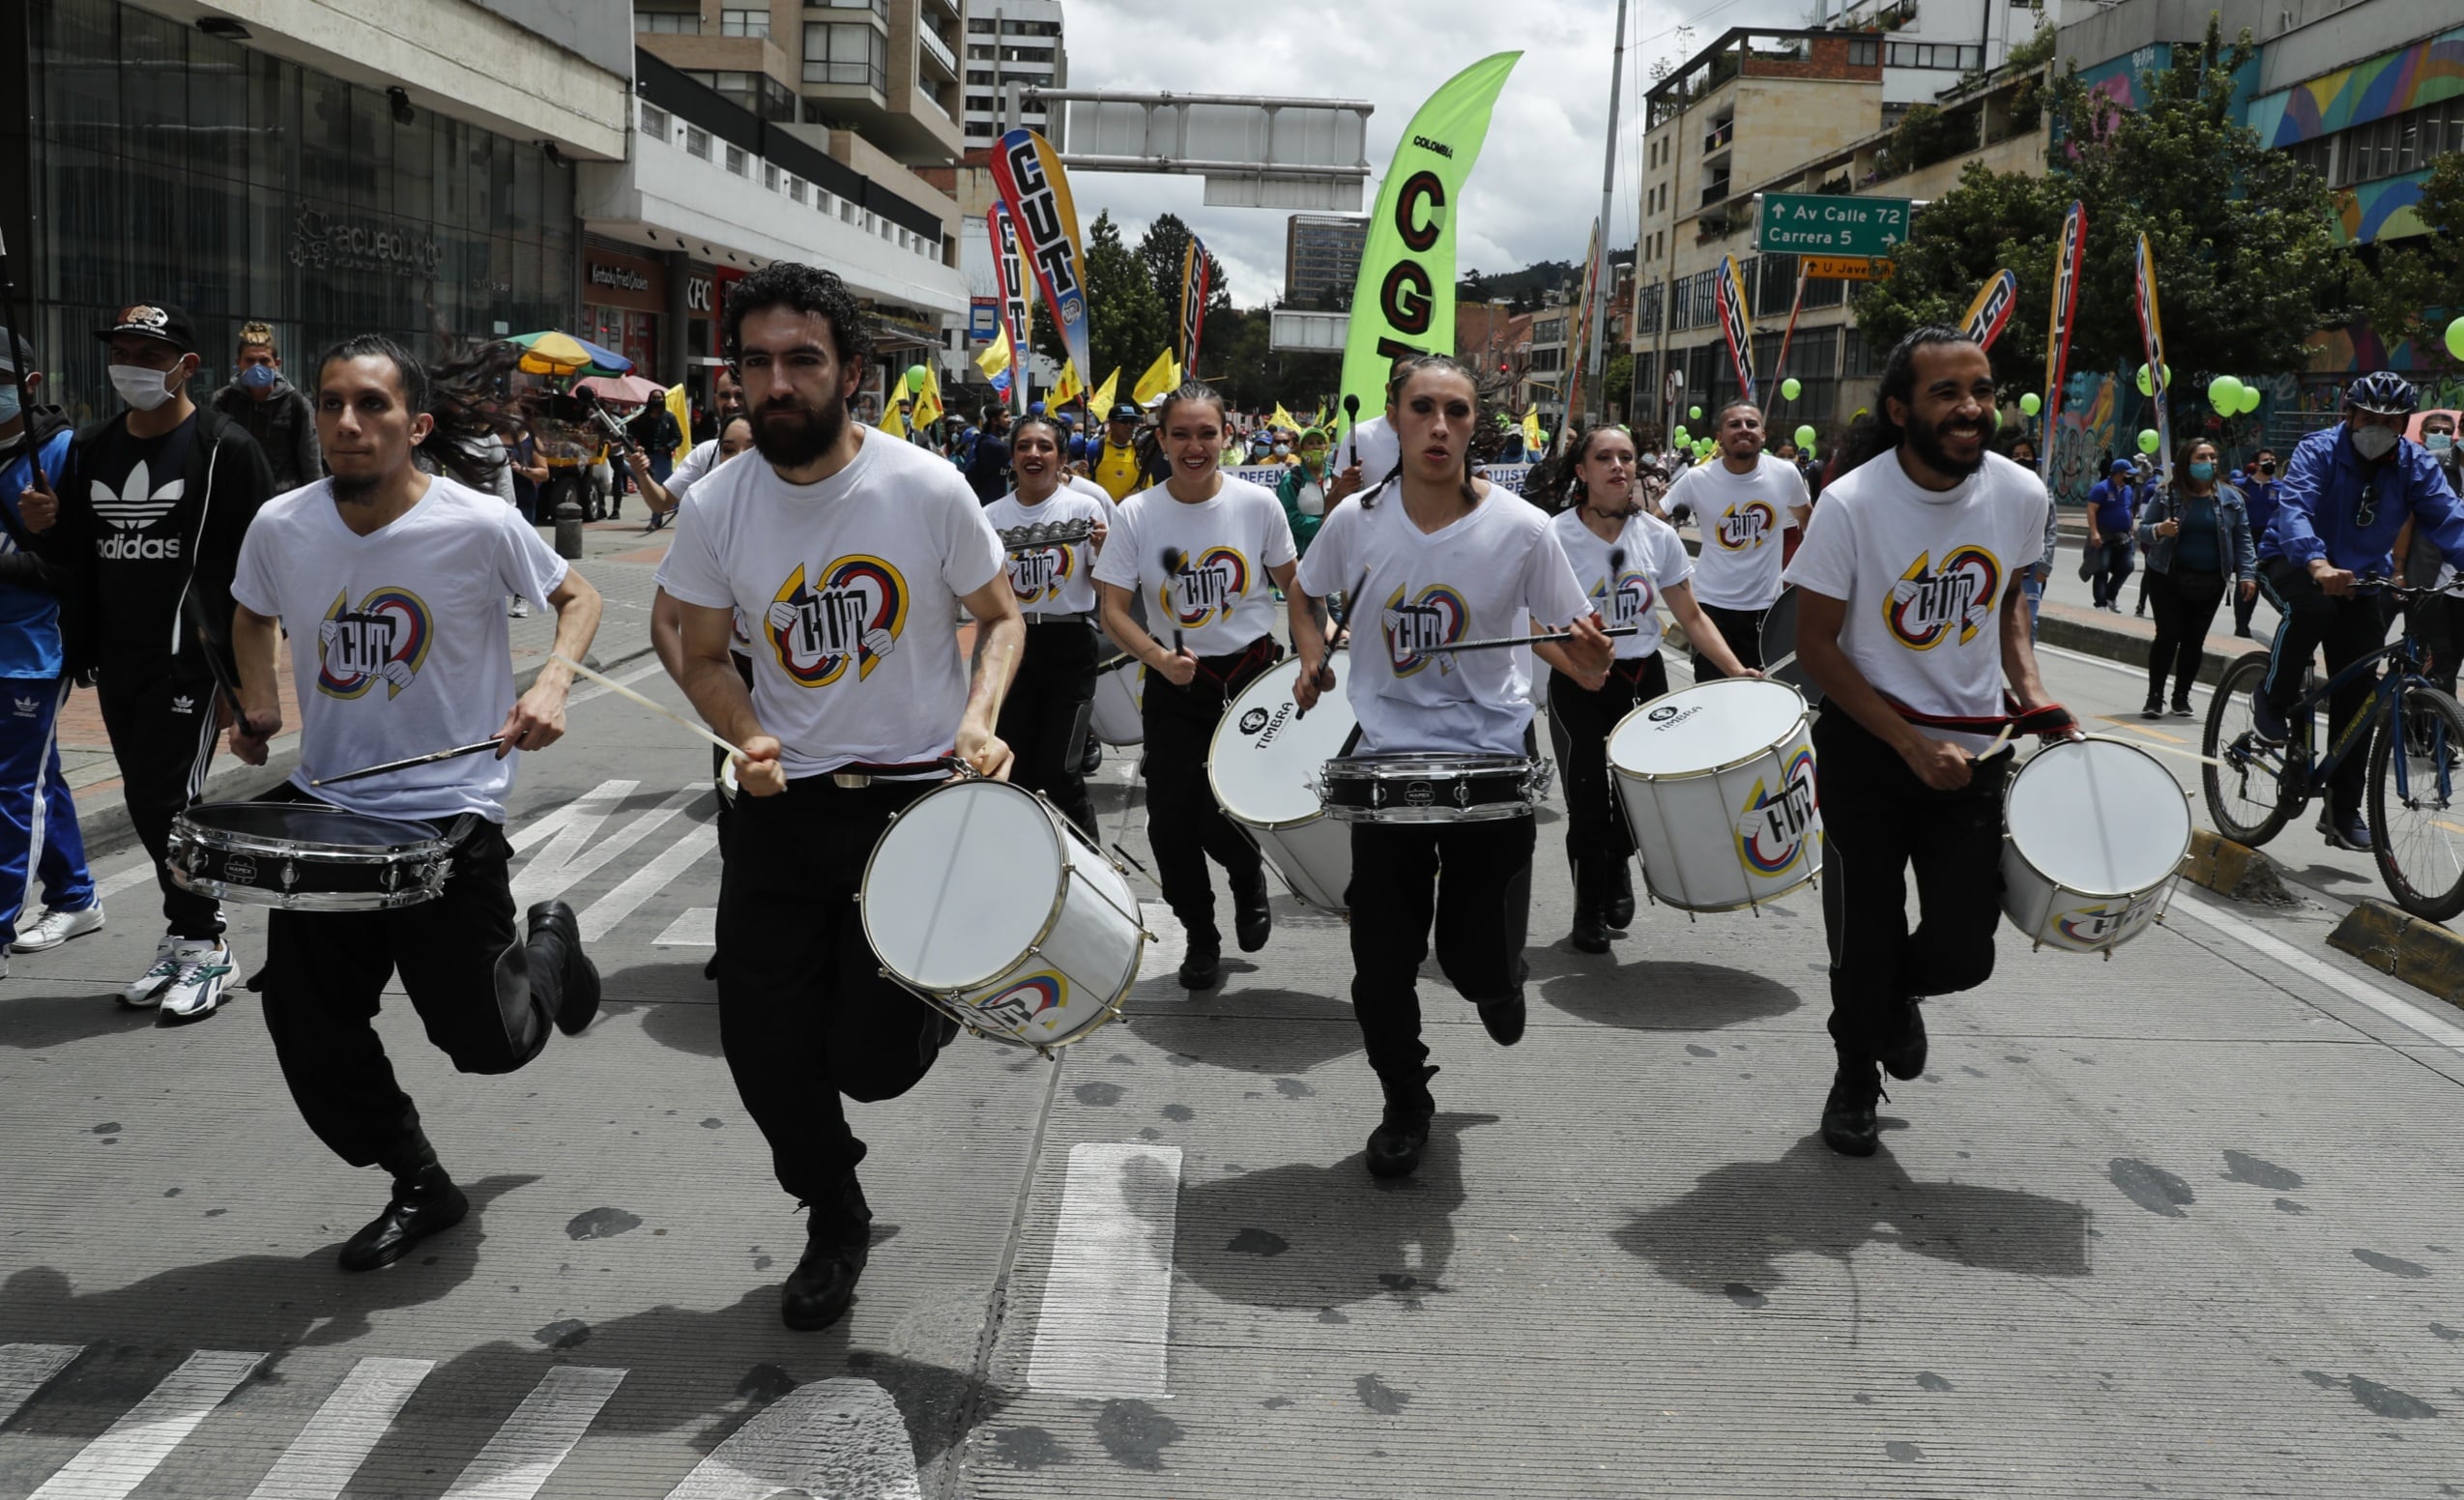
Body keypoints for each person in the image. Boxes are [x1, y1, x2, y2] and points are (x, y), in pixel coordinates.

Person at [654, 263, 1024, 1332]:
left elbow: (1000, 616)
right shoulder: (718, 505)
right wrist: (744, 729)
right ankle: (832, 1209)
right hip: (780, 811)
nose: (776, 382)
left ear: (851, 372)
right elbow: (691, 643)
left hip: (911, 808)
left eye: (801, 360)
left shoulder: (923, 487)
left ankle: (936, 1003)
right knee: (762, 1046)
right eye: (755, 362)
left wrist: (978, 718)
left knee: (869, 1061)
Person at [223, 333, 605, 1270]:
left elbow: (580, 596)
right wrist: (260, 700)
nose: (347, 424)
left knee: (491, 1044)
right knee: (307, 1029)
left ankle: (550, 944)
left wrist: (552, 684)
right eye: (330, 404)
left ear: (416, 424)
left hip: (449, 817)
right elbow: (248, 611)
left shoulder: (477, 524)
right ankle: (418, 1179)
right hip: (330, 813)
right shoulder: (281, 526)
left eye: (372, 406)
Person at [1287, 355, 1612, 1179]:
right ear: (1394, 418)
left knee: (1470, 962)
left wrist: (1586, 657)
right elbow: (1306, 593)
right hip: (1388, 766)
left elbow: (1574, 650)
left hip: (1491, 763)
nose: (1438, 426)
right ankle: (1405, 1100)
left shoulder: (1523, 528)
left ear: (1476, 424)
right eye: (1422, 408)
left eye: (1456, 411)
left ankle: (1499, 981)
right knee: (1379, 965)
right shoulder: (1355, 521)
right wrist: (1310, 656)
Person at [1780, 327, 2074, 1159]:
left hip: (1973, 758)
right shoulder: (1851, 503)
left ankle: (1889, 1002)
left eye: (1980, 390)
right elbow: (1816, 646)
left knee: (1963, 948)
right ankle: (1851, 1080)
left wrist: (2032, 692)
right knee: (1863, 934)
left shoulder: (2020, 494)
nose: (1970, 408)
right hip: (1868, 755)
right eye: (1946, 393)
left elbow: (2009, 599)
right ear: (1901, 407)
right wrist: (1909, 744)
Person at [19, 303, 273, 1021]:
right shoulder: (94, 449)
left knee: (170, 804)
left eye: (148, 353)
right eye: (121, 349)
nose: (129, 363)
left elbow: (258, 572)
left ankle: (206, 944)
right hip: (119, 661)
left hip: (191, 664)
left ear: (186, 366)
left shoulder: (225, 448)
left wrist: (248, 685)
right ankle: (184, 936)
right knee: (143, 800)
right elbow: (71, 557)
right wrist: (43, 528)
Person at [1092, 383, 1296, 991]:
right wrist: (1158, 657)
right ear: (1162, 440)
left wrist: (1325, 641)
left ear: (1226, 437)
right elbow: (1114, 611)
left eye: (1207, 432)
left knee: (1219, 816)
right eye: (1180, 433)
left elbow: (1299, 591)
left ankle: (1245, 872)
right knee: (1169, 825)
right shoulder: (1136, 513)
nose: (1194, 445)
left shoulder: (1259, 507)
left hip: (1250, 678)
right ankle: (1201, 939)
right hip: (1175, 685)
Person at [1543, 424, 1750, 953]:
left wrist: (1735, 669)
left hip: (1644, 678)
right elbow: (1532, 623)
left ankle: (1618, 864)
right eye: (1605, 458)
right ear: (1581, 471)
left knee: (1643, 797)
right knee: (1589, 801)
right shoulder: (1553, 536)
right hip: (1581, 683)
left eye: (1627, 457)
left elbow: (1691, 615)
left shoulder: (1657, 537)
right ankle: (1588, 908)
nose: (1618, 467)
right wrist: (1574, 668)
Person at [2251, 373, 2464, 852]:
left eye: (2391, 421)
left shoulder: (2414, 464)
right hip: (2292, 558)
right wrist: (2317, 561)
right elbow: (2296, 508)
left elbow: (2449, 519)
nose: (2378, 428)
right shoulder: (2318, 450)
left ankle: (2341, 811)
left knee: (2361, 692)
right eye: (2369, 417)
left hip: (2364, 578)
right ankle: (2272, 696)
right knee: (2312, 610)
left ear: (2404, 425)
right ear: (2349, 414)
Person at [0, 330, 100, 968]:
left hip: (32, 649)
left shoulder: (63, 454)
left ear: (29, 384)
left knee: (11, 787)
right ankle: (75, 894)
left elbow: (79, 564)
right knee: (37, 772)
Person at [982, 414, 1110, 836]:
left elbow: (1103, 587)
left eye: (1044, 446)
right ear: (1012, 456)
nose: (1033, 454)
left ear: (1061, 457)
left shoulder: (1085, 508)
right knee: (1014, 770)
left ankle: (1092, 872)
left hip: (1069, 645)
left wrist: (1105, 552)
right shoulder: (989, 516)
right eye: (1024, 446)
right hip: (1012, 646)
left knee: (1061, 771)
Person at [1660, 400, 1810, 678]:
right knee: (1712, 692)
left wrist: (1801, 573)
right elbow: (1655, 522)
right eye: (1734, 424)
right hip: (1711, 609)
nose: (1744, 430)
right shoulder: (1697, 479)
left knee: (1763, 698)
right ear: (1719, 437)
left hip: (1767, 610)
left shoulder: (1786, 474)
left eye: (1751, 424)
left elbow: (1808, 520)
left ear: (1763, 435)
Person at [2136, 439, 2255, 719]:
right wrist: (2160, 529)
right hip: (2167, 575)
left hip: (2211, 581)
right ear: (2187, 462)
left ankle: (2181, 696)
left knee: (2194, 640)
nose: (2210, 462)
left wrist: (2248, 573)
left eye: (2213, 457)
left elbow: (2243, 539)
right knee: (2168, 634)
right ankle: (2155, 697)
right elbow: (2141, 530)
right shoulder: (2167, 494)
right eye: (2202, 457)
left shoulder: (2231, 498)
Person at [209, 322, 321, 495]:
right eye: (250, 360)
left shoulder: (296, 403)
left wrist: (315, 500)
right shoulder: (223, 400)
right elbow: (213, 454)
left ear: (276, 363)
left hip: (283, 498)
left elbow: (310, 461)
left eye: (263, 360)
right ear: (238, 363)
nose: (257, 367)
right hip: (236, 496)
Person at [2008, 438, 2055, 642]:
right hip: (2004, 565)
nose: (2022, 459)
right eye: (2016, 455)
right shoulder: (2000, 490)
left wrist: (2045, 565)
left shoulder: (2042, 491)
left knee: (2030, 623)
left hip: (2032, 568)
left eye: (2026, 455)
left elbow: (2051, 529)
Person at [2084, 459, 2138, 612]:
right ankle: (2100, 603)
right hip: (2104, 534)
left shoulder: (2128, 490)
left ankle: (2110, 596)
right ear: (2119, 474)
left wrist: (2131, 527)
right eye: (2128, 474)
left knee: (2127, 566)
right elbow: (2091, 510)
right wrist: (2094, 532)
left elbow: (2129, 509)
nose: (2131, 477)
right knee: (2101, 569)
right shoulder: (2101, 488)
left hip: (2124, 536)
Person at [1277, 427, 1335, 558]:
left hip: (1333, 550)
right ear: (1302, 448)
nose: (1315, 447)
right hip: (1302, 553)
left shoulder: (1336, 476)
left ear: (1326, 447)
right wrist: (1320, 524)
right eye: (1310, 443)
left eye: (1320, 443)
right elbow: (1288, 517)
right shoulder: (1291, 480)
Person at [1091, 401, 1146, 504]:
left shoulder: (1141, 450)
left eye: (1133, 421)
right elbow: (1085, 483)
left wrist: (1132, 496)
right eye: (1124, 421)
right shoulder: (1095, 447)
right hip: (1101, 515)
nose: (1129, 426)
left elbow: (1147, 486)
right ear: (1111, 423)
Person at [965, 403, 1012, 505]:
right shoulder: (995, 446)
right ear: (994, 421)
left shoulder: (982, 441)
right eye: (1006, 416)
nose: (1010, 420)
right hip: (991, 504)